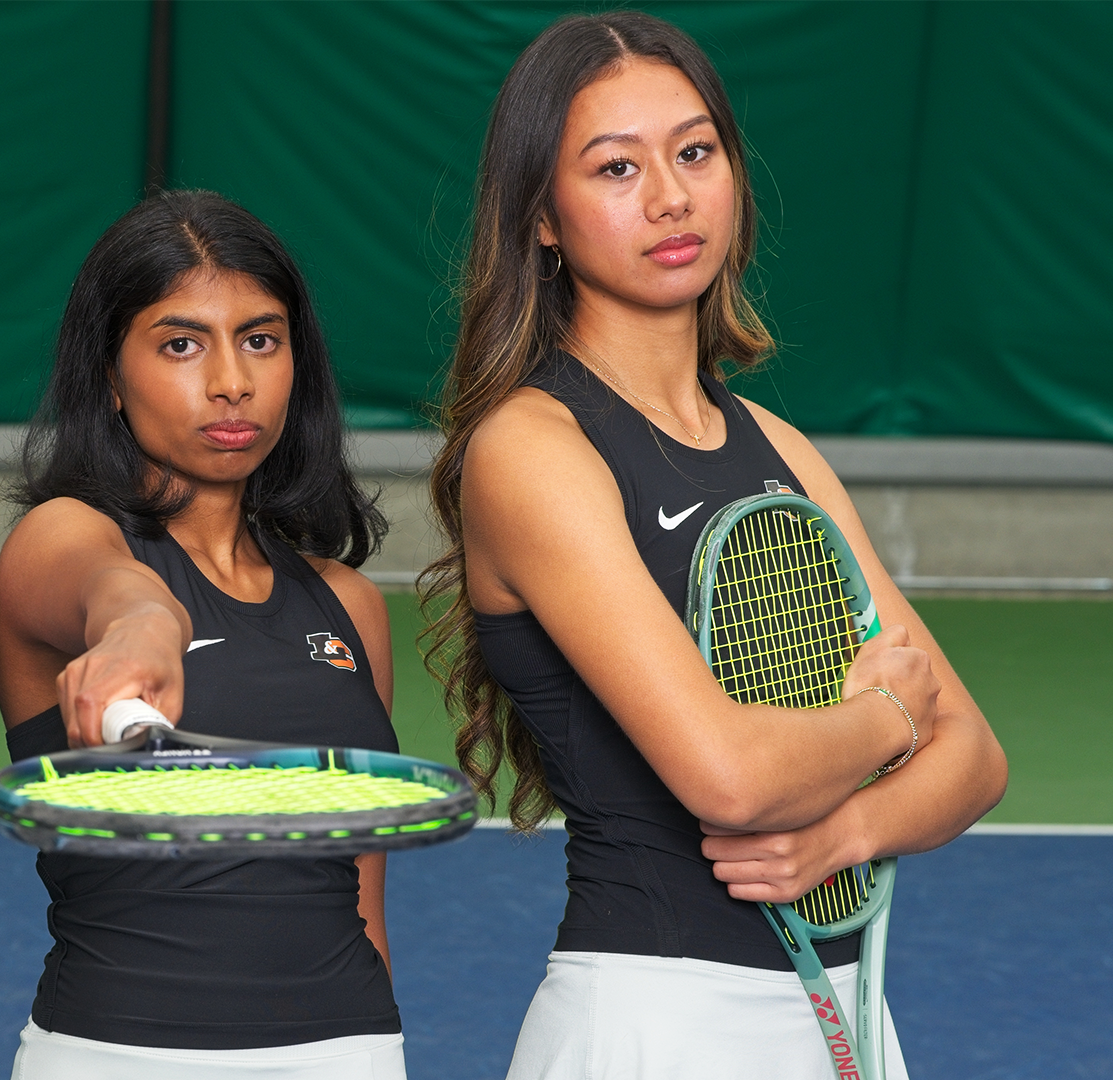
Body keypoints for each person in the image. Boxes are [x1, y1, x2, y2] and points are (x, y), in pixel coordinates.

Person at [422, 12, 1007, 1078]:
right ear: (542, 217)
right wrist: (889, 712)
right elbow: (729, 779)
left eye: (695, 152)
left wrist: (838, 839)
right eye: (614, 167)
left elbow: (977, 759)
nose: (669, 197)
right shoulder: (528, 449)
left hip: (842, 1015)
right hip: (655, 1015)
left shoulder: (778, 446)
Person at [0, 190, 405, 1078]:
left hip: (350, 1047)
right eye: (181, 343)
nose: (232, 381)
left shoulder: (350, 606)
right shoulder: (57, 538)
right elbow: (109, 588)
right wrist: (143, 627)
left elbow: (362, 900)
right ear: (109, 371)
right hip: (117, 1052)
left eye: (261, 339)